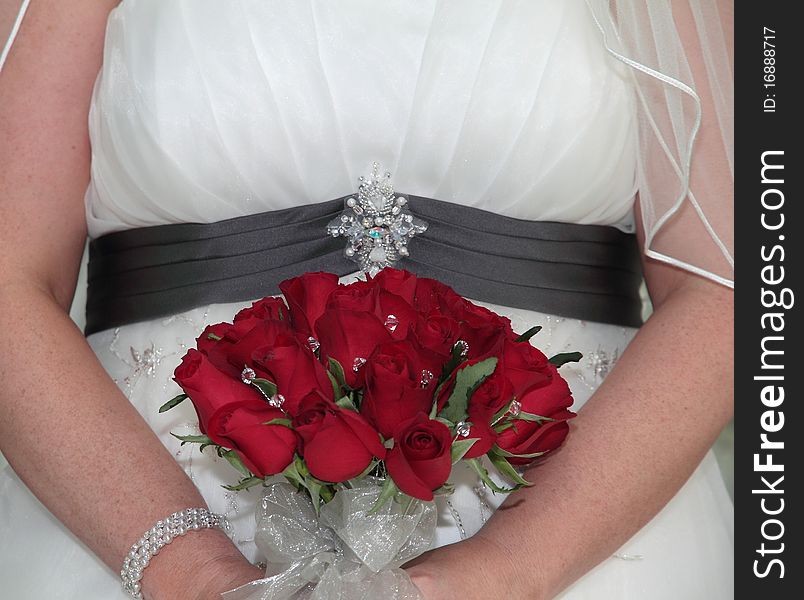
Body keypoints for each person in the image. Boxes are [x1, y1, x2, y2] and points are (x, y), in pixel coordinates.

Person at [0, 1, 733, 599]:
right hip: (126, 526)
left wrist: (510, 570)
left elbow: (729, 285)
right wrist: (190, 572)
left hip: (580, 540)